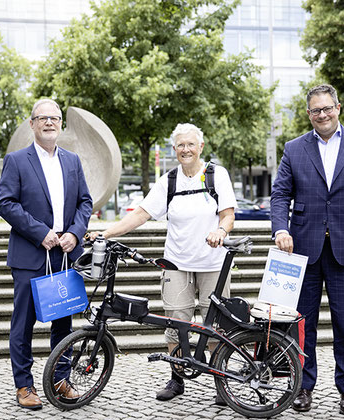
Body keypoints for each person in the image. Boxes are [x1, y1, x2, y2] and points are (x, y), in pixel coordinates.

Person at [89, 123, 236, 403]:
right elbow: (141, 214)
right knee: (175, 322)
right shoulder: (169, 180)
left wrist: (221, 231)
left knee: (216, 325)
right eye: (180, 145)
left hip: (213, 263)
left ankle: (221, 382)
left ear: (200, 147)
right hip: (176, 263)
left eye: (190, 144)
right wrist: (105, 233)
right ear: (174, 149)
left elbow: (227, 214)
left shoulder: (217, 175)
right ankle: (177, 378)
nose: (185, 149)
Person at [270, 84, 344, 416]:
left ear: (339, 108)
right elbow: (280, 195)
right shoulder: (294, 149)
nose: (322, 115)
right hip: (303, 251)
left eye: (327, 108)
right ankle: (303, 387)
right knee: (302, 325)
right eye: (315, 111)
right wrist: (281, 228)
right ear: (309, 114)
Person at [0, 98, 93, 409]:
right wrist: (42, 233)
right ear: (32, 124)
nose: (49, 123)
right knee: (23, 323)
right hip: (30, 254)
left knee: (63, 322)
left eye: (54, 118)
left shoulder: (72, 161)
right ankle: (24, 386)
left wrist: (74, 233)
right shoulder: (17, 160)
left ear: (61, 124)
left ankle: (59, 380)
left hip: (65, 254)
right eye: (42, 118)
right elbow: (6, 203)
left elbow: (85, 203)